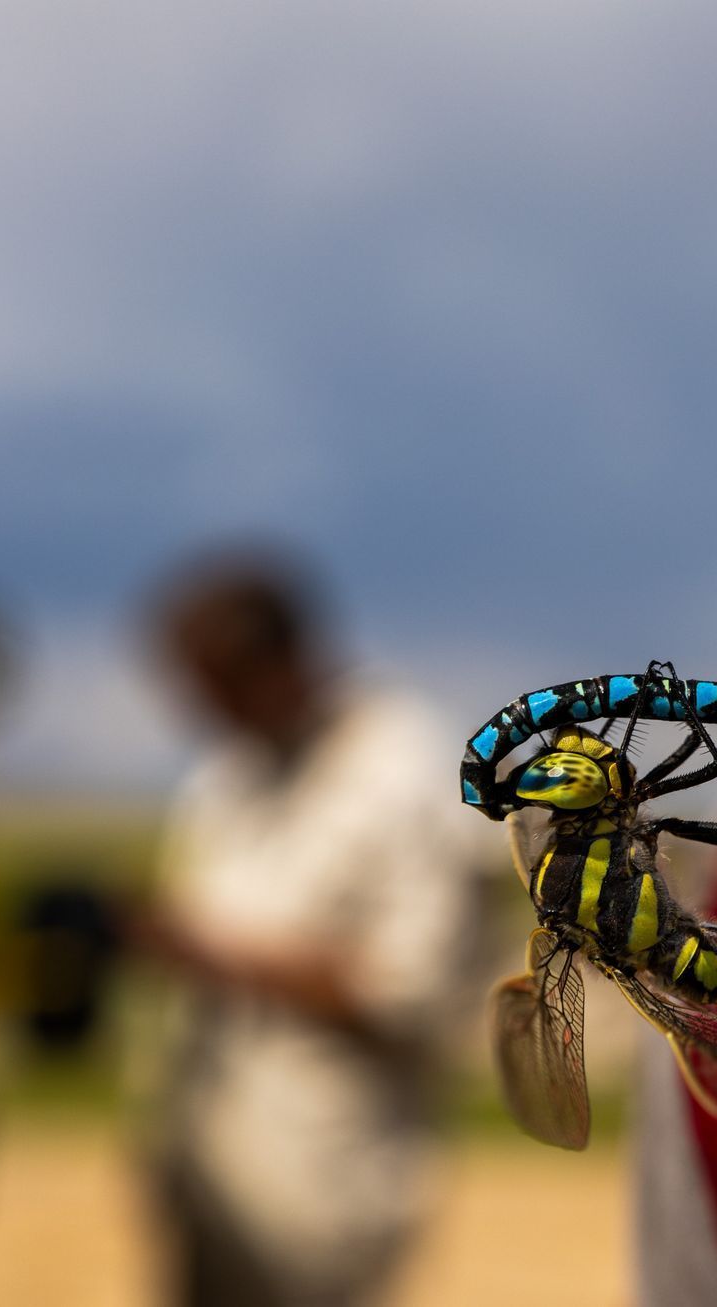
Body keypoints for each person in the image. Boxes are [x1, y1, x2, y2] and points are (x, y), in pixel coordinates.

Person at [138, 549, 485, 1307]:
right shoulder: (229, 770)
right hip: (210, 1166)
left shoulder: (397, 770)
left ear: (276, 664)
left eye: (216, 688)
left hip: (321, 1185)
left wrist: (213, 953)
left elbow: (407, 988)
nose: (202, 712)